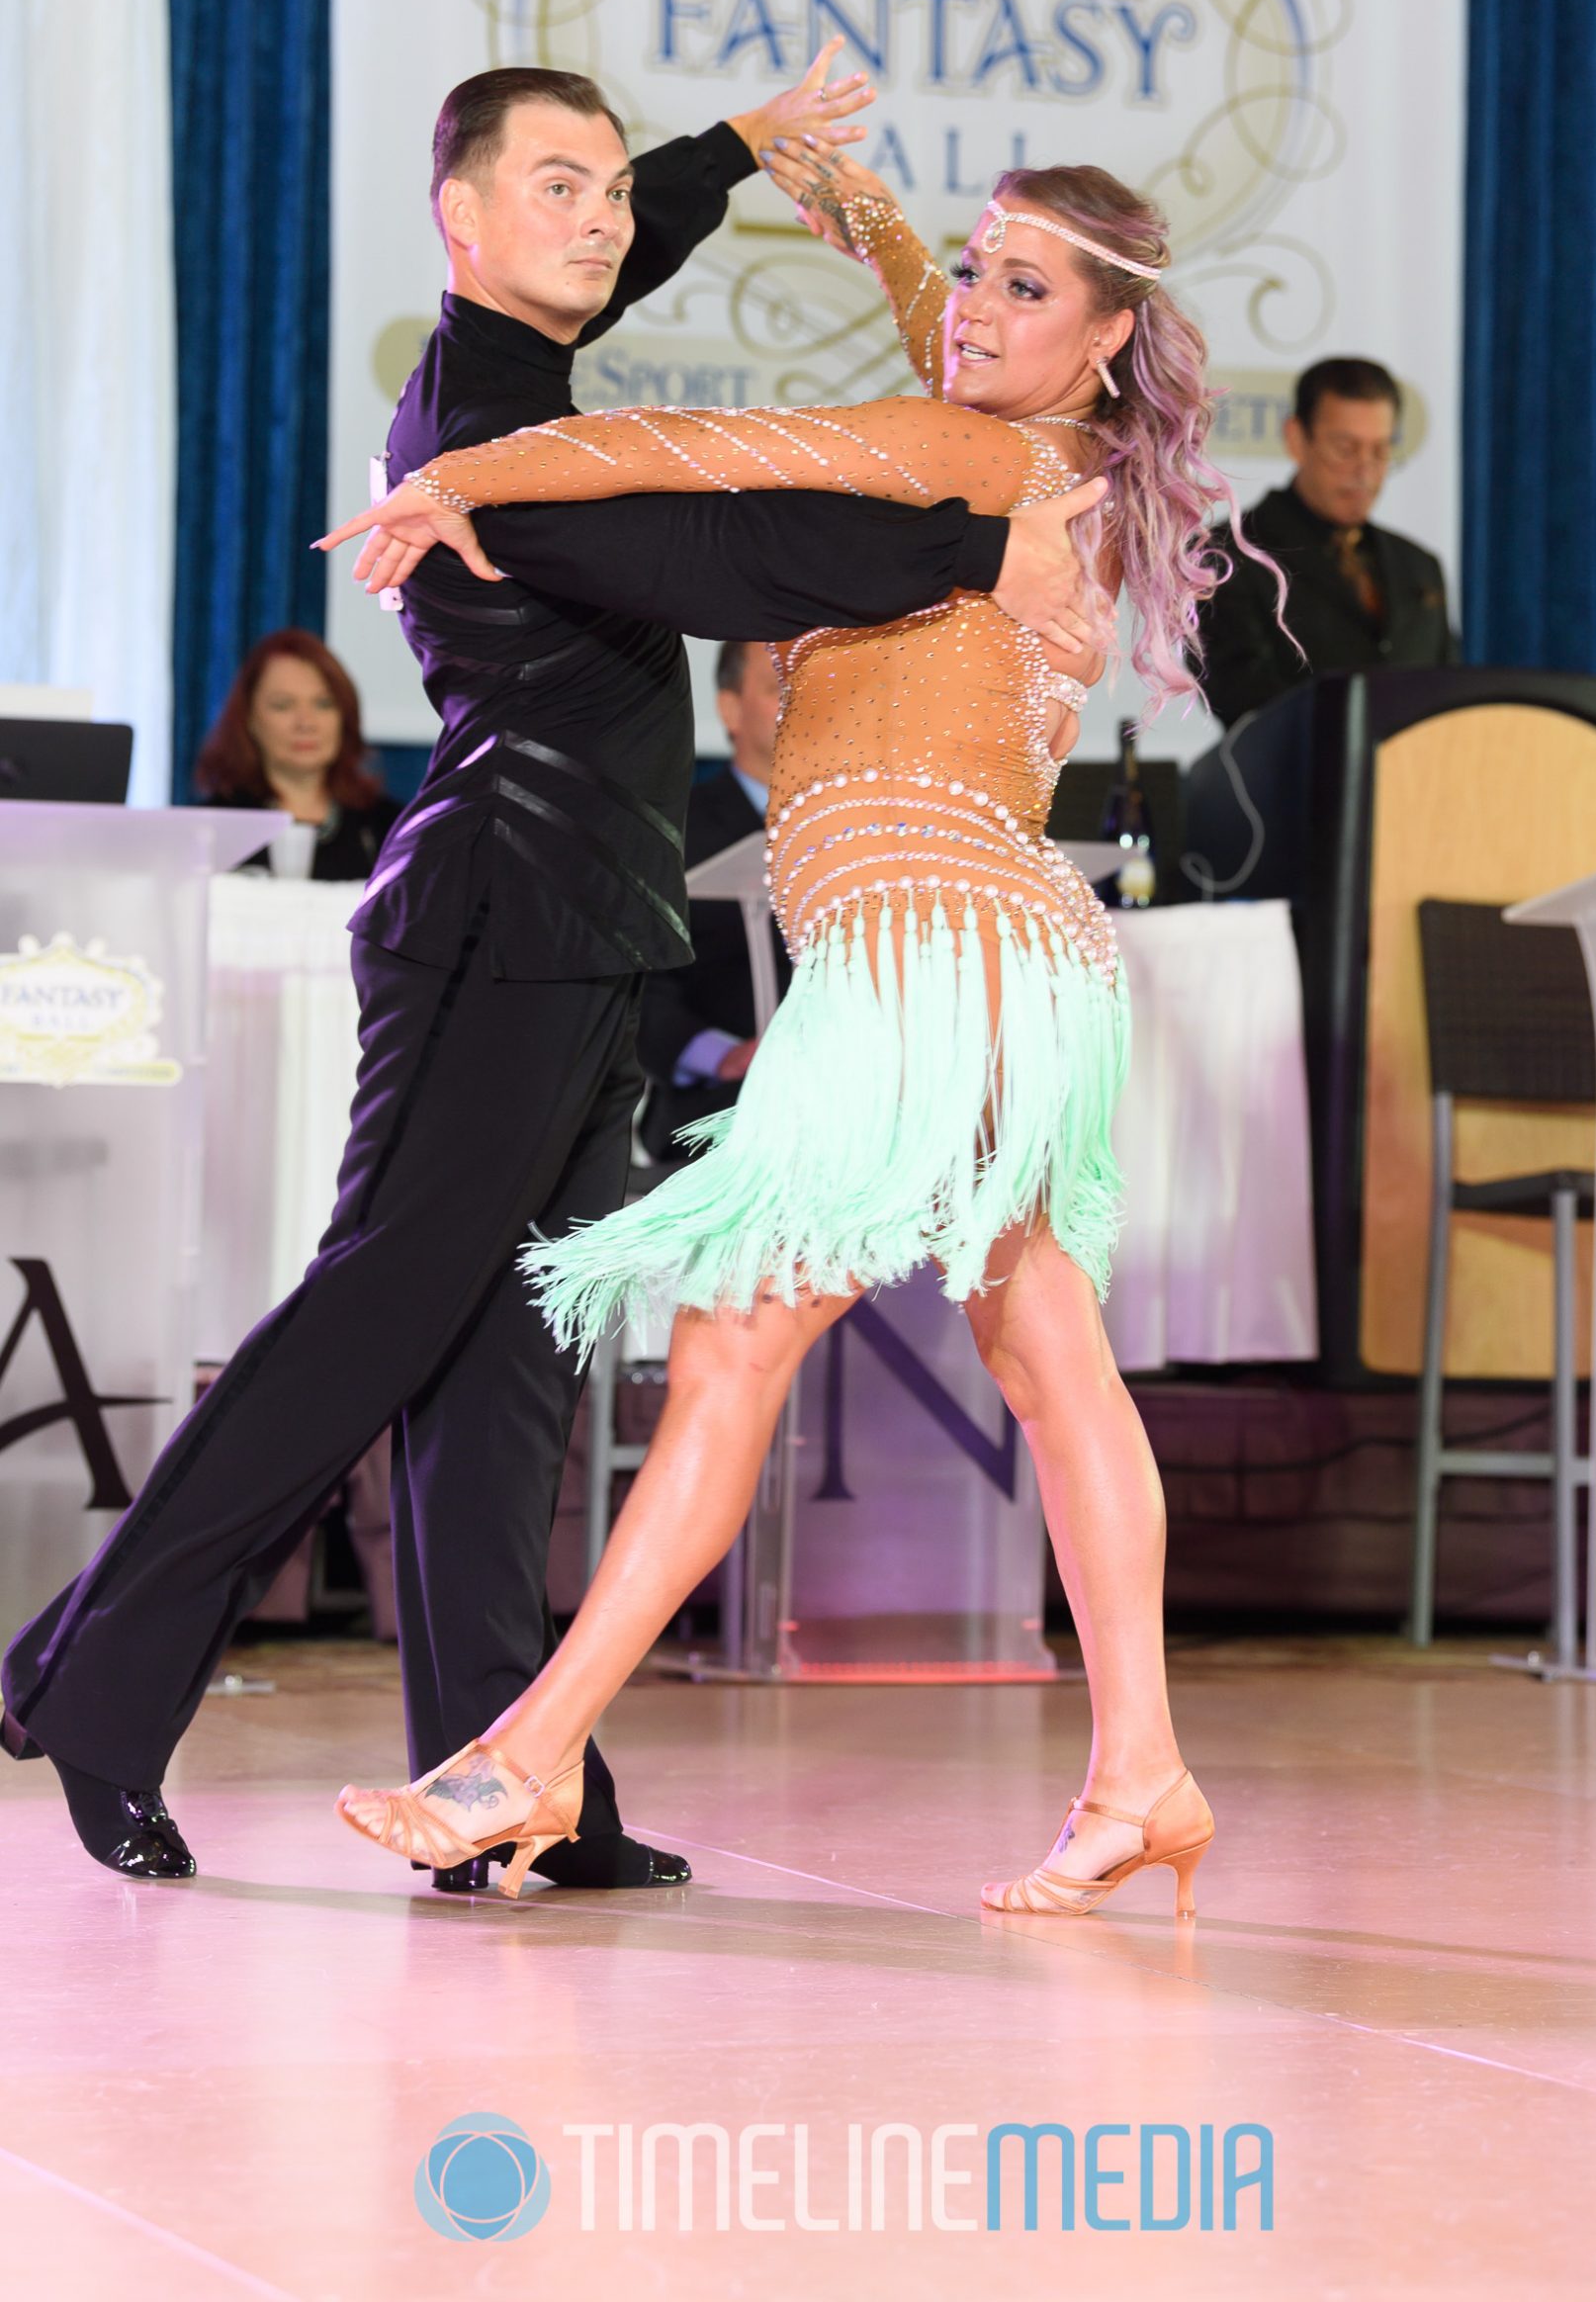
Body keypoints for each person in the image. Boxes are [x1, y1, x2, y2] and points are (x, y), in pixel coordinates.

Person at [0, 59, 1099, 1889]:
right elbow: (729, 541)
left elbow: (624, 247)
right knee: (370, 1323)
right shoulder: (488, 439)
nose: (599, 219)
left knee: (508, 1364)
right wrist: (980, 548)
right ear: (461, 217)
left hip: (588, 918)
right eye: (558, 189)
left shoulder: (528, 369)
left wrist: (722, 157)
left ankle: (512, 1781)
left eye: (611, 191)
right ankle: (92, 1683)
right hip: (500, 910)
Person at [320, 145, 1282, 1918]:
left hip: (927, 957)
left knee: (736, 1352)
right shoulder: (1048, 453)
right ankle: (1139, 1771)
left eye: (1022, 288)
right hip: (1011, 958)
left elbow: (689, 451)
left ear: (1108, 331)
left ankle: (525, 1755)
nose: (975, 310)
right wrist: (903, 238)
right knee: (1053, 1359)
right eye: (974, 272)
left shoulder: (966, 456)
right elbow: (972, 333)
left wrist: (448, 472)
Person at [1197, 357, 1455, 727]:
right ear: (1297, 439)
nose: (1364, 471)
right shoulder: (1227, 556)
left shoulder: (1419, 565)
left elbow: (1450, 694)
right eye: (1346, 449)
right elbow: (1243, 700)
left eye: (1380, 451)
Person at [637, 640, 786, 1165]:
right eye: (779, 686)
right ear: (729, 708)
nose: (805, 702)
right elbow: (638, 987)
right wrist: (726, 1056)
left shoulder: (877, 835)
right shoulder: (672, 831)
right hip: (722, 1109)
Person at [196, 628, 402, 882]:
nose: (306, 722)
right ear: (249, 718)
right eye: (283, 705)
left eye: (323, 704)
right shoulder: (211, 828)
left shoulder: (391, 827)